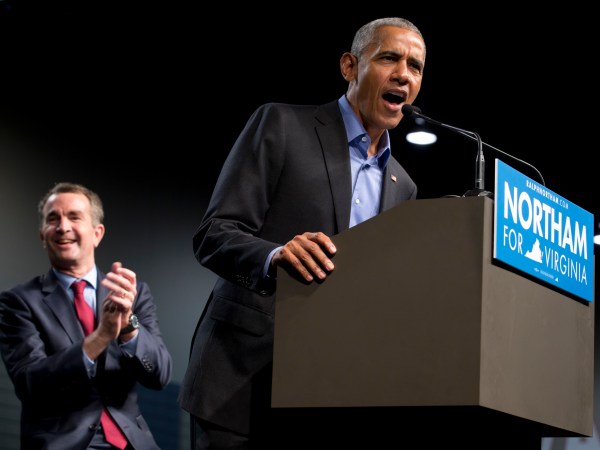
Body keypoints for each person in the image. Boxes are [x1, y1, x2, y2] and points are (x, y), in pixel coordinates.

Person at [178, 17, 425, 449]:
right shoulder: (281, 125)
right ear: (350, 66)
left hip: (323, 394)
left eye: (416, 66)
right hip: (241, 381)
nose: (404, 74)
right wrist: (275, 257)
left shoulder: (403, 186)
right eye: (389, 57)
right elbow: (214, 234)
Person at [0, 182, 173, 450]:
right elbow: (30, 383)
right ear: (42, 235)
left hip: (133, 443)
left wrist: (129, 326)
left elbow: (160, 374)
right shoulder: (18, 301)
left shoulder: (132, 293)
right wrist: (102, 336)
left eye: (74, 217)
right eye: (53, 219)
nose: (63, 227)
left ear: (97, 233)